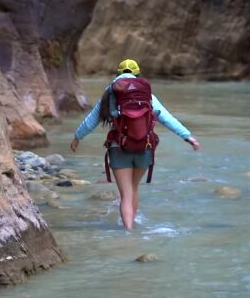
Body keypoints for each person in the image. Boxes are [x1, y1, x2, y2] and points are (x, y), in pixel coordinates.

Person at [69, 59, 200, 230]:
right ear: (137, 75)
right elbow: (167, 118)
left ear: (118, 74)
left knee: (126, 194)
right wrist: (188, 137)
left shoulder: (110, 93)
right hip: (144, 147)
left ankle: (128, 231)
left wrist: (77, 137)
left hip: (119, 148)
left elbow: (91, 120)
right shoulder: (147, 96)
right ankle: (134, 227)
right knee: (134, 188)